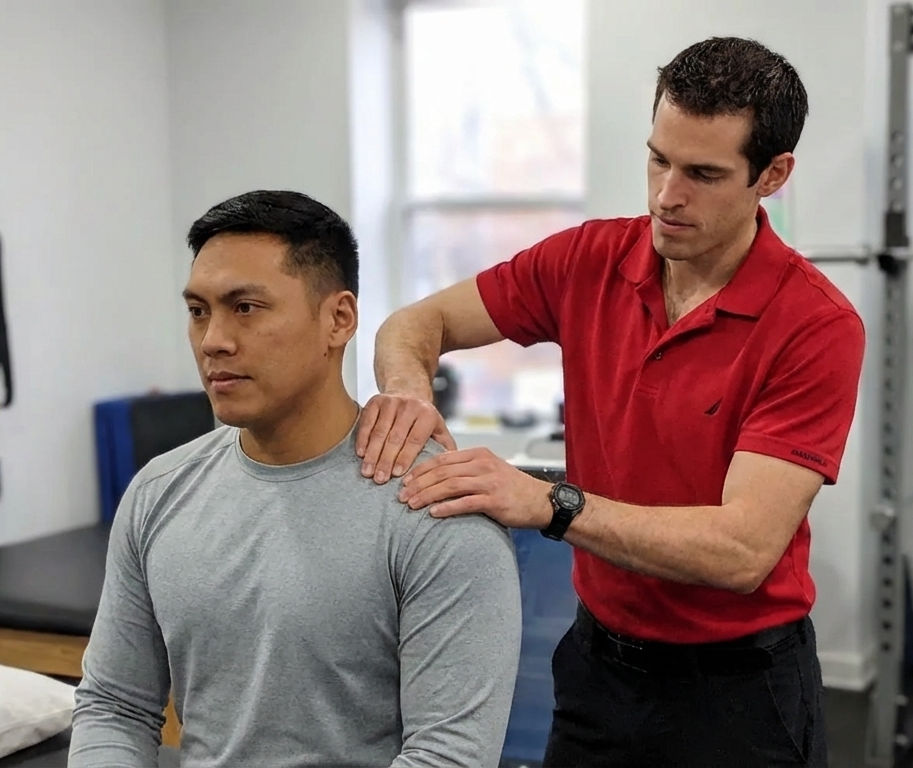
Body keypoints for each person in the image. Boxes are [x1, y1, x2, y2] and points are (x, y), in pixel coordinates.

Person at [358, 37, 865, 767]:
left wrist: (549, 503)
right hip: (598, 669)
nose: (666, 195)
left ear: (773, 175)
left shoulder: (816, 325)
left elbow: (742, 551)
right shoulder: (587, 260)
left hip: (739, 691)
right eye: (659, 159)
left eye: (703, 174)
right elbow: (414, 325)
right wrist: (407, 396)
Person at [69, 190, 523, 767]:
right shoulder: (157, 493)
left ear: (338, 320)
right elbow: (114, 706)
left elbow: (448, 756)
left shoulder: (436, 509)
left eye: (246, 307)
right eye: (198, 311)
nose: (213, 340)